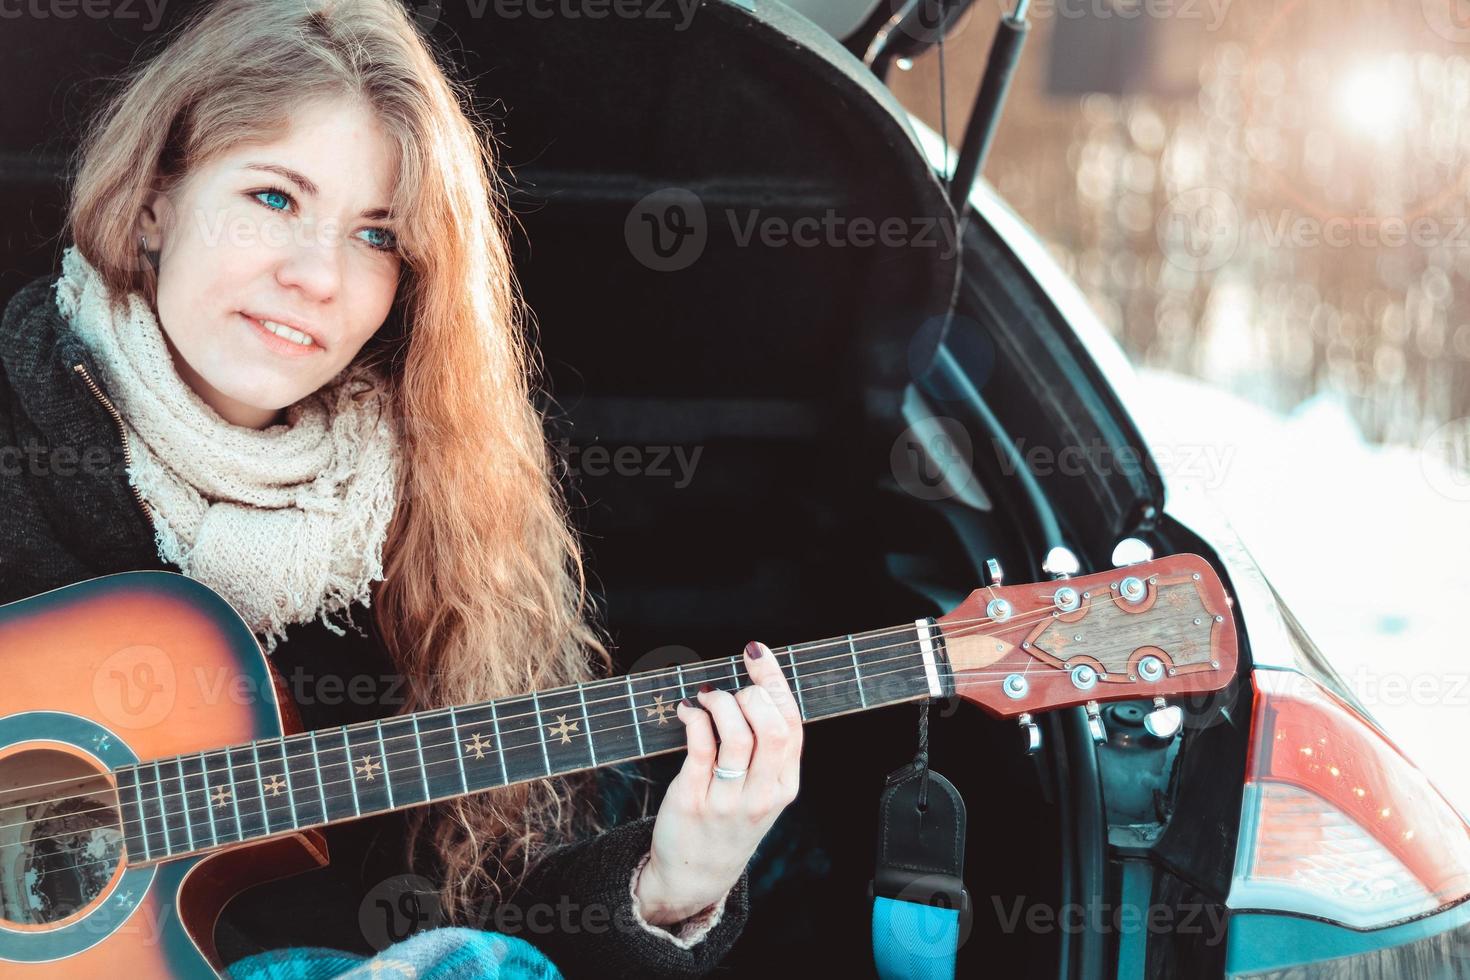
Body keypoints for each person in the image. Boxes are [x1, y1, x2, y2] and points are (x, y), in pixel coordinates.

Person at [0, 0, 804, 976]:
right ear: (157, 198)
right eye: (273, 198)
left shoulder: (433, 532)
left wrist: (670, 886)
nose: (317, 275)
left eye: (376, 236)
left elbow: (499, 899)